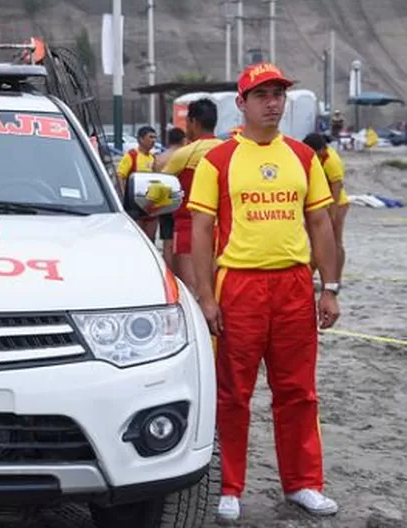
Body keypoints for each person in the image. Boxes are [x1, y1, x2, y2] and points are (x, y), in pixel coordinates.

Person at [187, 63, 341, 522]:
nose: (273, 102)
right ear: (242, 102)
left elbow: (320, 223)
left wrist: (329, 288)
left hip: (294, 284)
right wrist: (205, 296)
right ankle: (229, 487)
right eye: (262, 95)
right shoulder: (217, 160)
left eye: (278, 94)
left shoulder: (303, 156)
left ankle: (303, 484)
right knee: (233, 393)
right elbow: (200, 229)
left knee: (298, 391)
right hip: (239, 285)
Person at [157, 99, 222, 293]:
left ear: (193, 122)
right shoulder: (229, 151)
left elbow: (161, 189)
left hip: (188, 231)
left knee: (192, 294)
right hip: (224, 233)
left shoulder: (184, 154)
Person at [303, 132, 349, 279]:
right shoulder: (317, 158)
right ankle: (310, 276)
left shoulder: (331, 161)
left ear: (320, 150)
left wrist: (332, 214)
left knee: (335, 242)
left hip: (337, 204)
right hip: (321, 204)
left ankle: (335, 279)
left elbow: (337, 188)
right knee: (318, 243)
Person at [153, 127, 188, 267]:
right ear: (183, 140)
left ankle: (168, 269)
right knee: (179, 240)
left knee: (167, 238)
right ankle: (180, 268)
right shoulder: (184, 155)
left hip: (164, 200)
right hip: (181, 198)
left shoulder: (160, 158)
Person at [117, 126, 158, 239]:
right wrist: (125, 196)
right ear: (141, 139)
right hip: (135, 206)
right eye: (150, 137)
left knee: (151, 238)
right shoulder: (131, 155)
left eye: (155, 137)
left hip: (150, 205)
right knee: (137, 237)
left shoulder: (153, 158)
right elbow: (120, 176)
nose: (153, 140)